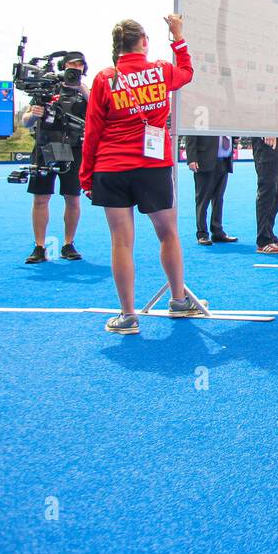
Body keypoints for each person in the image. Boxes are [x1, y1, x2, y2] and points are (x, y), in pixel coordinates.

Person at [80, 16, 198, 334]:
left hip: (111, 166)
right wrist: (178, 36)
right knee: (168, 233)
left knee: (121, 242)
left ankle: (128, 315)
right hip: (153, 166)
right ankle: (178, 299)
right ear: (143, 41)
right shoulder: (160, 70)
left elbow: (93, 131)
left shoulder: (105, 79)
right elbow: (187, 72)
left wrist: (86, 175)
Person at [19, 53, 89, 263]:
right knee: (40, 198)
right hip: (45, 145)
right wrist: (34, 115)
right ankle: (39, 246)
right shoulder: (48, 87)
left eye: (79, 65)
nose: (74, 68)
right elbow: (26, 121)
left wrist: (80, 87)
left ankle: (69, 243)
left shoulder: (85, 92)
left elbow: (99, 108)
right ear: (62, 65)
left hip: (75, 148)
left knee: (73, 197)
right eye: (71, 65)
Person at [187, 135, 239, 245]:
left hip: (224, 161)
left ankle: (217, 232)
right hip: (205, 160)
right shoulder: (202, 117)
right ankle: (202, 234)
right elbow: (191, 135)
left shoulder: (227, 118)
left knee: (219, 199)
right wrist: (192, 158)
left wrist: (234, 136)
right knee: (203, 199)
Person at [251, 135, 278, 254]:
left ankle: (269, 234)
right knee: (267, 190)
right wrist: (268, 129)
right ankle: (263, 240)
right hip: (265, 137)